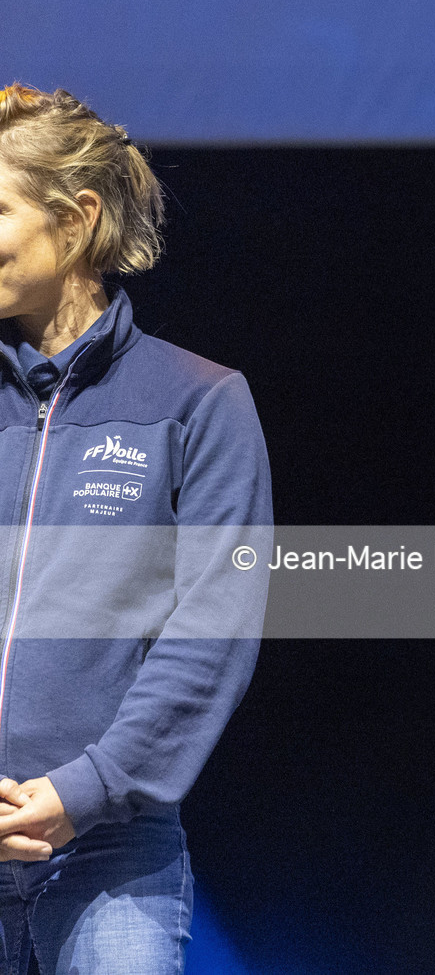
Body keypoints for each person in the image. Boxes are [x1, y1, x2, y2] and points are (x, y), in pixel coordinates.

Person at [0, 86, 270, 972]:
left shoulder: (199, 400)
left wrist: (87, 789)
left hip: (113, 852)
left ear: (76, 222)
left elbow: (213, 628)